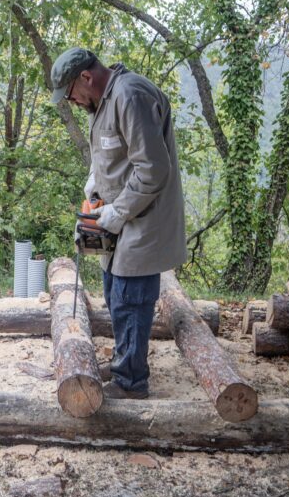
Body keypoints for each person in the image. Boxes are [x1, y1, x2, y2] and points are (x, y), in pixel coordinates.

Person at [50, 48, 187, 399]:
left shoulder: (130, 95)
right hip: (121, 218)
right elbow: (112, 155)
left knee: (131, 298)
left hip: (143, 219)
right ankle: (126, 361)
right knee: (114, 292)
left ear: (85, 77)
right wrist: (94, 185)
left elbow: (153, 170)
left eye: (71, 93)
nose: (73, 101)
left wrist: (116, 211)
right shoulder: (103, 103)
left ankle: (131, 382)